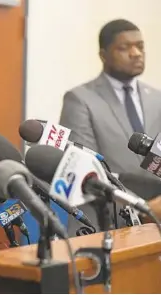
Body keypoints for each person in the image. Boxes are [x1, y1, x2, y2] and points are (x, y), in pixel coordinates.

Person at [59, 19, 161, 234]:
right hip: (112, 221)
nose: (136, 53)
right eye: (125, 48)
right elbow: (86, 170)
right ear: (104, 55)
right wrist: (142, 208)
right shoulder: (80, 99)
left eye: (140, 46)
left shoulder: (157, 98)